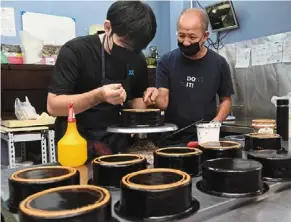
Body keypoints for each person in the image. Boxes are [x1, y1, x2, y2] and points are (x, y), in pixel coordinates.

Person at [47, 1, 157, 156]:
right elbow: (53, 106)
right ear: (107, 27)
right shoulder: (76, 51)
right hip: (78, 143)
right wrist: (98, 96)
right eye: (124, 44)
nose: (129, 52)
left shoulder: (137, 59)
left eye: (136, 49)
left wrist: (147, 100)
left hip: (118, 145)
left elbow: (136, 103)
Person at [144, 8, 234, 146]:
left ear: (205, 36)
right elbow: (163, 102)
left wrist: (215, 123)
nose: (185, 42)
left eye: (192, 37)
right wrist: (154, 96)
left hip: (205, 139)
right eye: (181, 36)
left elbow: (226, 101)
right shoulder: (166, 61)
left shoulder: (219, 64)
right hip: (171, 139)